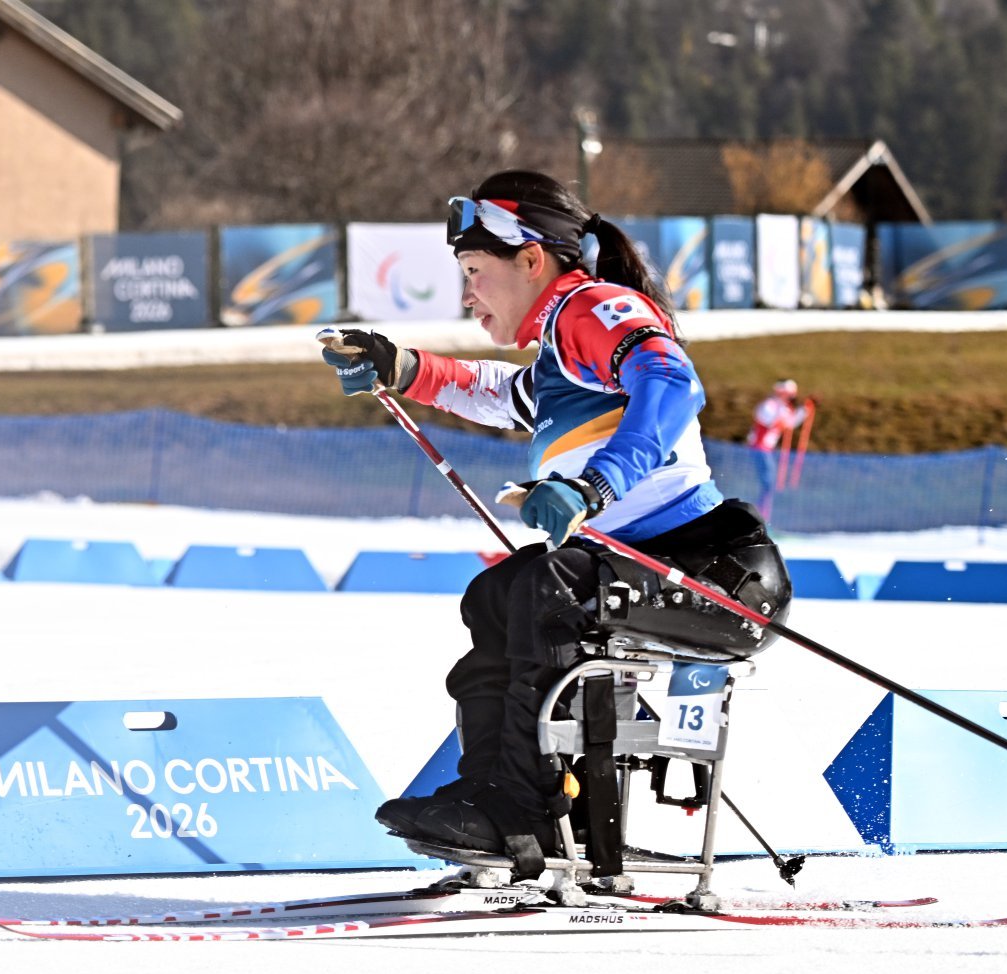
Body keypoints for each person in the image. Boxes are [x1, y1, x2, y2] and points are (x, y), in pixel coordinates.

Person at [319, 170, 792, 874]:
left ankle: (523, 812)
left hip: (716, 574)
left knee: (547, 584)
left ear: (532, 260)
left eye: (476, 271)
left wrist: (592, 486)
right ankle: (488, 798)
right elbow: (488, 391)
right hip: (644, 569)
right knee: (497, 592)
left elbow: (670, 382)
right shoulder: (557, 363)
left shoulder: (591, 308)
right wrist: (403, 366)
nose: (469, 293)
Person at [745, 379, 809, 522]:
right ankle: (759, 515)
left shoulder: (783, 408)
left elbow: (790, 423)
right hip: (759, 448)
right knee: (768, 482)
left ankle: (764, 513)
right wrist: (785, 411)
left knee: (769, 483)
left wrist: (804, 411)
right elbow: (770, 421)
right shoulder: (769, 406)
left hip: (767, 449)